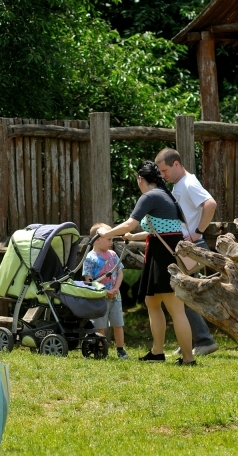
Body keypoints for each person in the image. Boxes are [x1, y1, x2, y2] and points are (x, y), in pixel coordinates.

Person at [97, 161, 195, 366]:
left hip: (163, 256)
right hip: (161, 252)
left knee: (176, 308)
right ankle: (157, 352)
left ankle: (188, 358)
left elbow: (129, 223)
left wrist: (107, 233)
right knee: (152, 302)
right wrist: (133, 237)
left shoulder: (149, 196)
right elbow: (163, 229)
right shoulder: (164, 194)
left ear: (140, 179)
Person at [155, 148, 220, 358]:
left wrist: (197, 233)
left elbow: (210, 204)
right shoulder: (180, 184)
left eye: (164, 170)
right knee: (181, 293)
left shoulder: (189, 183)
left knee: (184, 293)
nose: (163, 175)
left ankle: (204, 341)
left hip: (191, 247)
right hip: (185, 247)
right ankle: (189, 340)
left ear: (176, 164)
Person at [83, 223, 128, 359]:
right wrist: (103, 291)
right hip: (100, 298)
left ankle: (121, 350)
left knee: (118, 324)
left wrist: (116, 288)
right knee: (100, 326)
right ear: (98, 239)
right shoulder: (90, 257)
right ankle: (101, 349)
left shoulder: (113, 255)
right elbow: (88, 279)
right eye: (109, 239)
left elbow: (120, 273)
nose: (111, 242)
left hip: (115, 296)